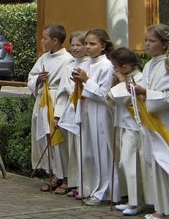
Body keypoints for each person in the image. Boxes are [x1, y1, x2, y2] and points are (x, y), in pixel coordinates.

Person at [73, 29, 119, 206]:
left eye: (92, 44)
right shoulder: (88, 64)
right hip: (88, 110)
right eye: (86, 43)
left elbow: (104, 94)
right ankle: (93, 187)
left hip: (101, 112)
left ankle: (107, 191)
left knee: (103, 151)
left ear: (103, 46)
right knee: (91, 152)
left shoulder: (107, 66)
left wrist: (86, 81)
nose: (87, 47)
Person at [27, 23, 74, 192]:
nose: (42, 41)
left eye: (45, 38)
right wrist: (38, 80)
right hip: (43, 102)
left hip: (57, 100)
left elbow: (67, 85)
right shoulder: (44, 58)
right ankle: (54, 175)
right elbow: (31, 78)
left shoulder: (68, 60)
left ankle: (67, 178)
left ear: (55, 40)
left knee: (61, 141)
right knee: (47, 140)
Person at [132, 24, 169, 219]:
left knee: (165, 163)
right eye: (145, 40)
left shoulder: (167, 64)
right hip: (151, 122)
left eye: (152, 41)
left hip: (165, 122)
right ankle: (161, 207)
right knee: (156, 164)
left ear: (164, 44)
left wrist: (146, 93)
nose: (147, 44)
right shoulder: (148, 65)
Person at [108, 48, 147, 216]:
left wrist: (120, 82)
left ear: (124, 67)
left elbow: (121, 97)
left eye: (115, 67)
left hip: (133, 127)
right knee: (125, 162)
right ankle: (132, 199)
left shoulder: (138, 78)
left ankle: (135, 203)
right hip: (124, 125)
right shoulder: (130, 76)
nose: (114, 70)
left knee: (131, 164)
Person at [55, 31, 90, 198]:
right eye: (73, 45)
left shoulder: (90, 64)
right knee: (72, 149)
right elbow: (62, 93)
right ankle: (75, 182)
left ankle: (88, 184)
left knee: (85, 148)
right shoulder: (68, 66)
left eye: (79, 45)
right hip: (71, 108)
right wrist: (57, 115)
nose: (75, 48)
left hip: (86, 107)